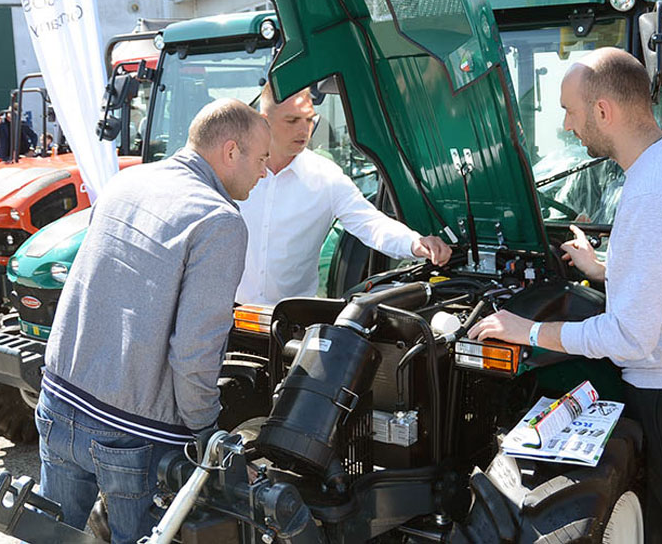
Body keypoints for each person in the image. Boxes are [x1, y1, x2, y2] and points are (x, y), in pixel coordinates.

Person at [467, 48, 662, 544]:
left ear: (604, 111)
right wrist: (605, 269)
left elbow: (630, 337)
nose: (568, 125)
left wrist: (530, 332)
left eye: (570, 111)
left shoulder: (653, 192)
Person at [38, 98, 270, 542]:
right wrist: (207, 431)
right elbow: (195, 348)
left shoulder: (128, 181)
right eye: (261, 159)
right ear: (230, 151)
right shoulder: (219, 221)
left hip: (60, 398)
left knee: (50, 535)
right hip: (132, 435)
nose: (264, 172)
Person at [235, 83, 451, 305]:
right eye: (292, 120)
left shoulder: (326, 177)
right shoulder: (232, 170)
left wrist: (415, 243)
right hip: (228, 318)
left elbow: (370, 222)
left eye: (309, 120)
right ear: (263, 121)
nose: (304, 130)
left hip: (289, 321)